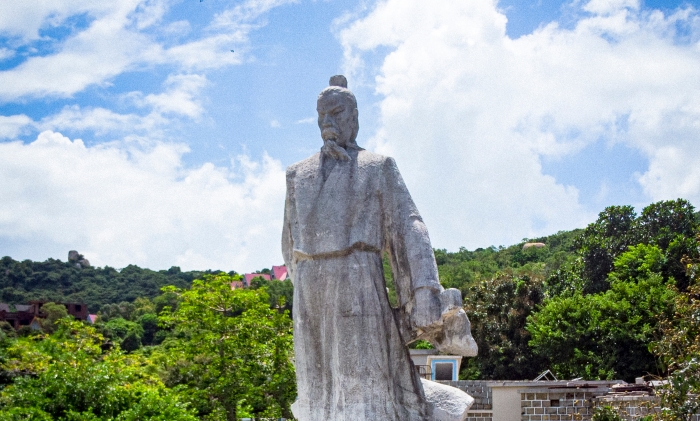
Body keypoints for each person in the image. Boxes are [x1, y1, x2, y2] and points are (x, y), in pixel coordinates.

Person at [282, 75, 477, 421]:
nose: (327, 122)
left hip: (357, 281)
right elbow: (288, 242)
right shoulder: (298, 175)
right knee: (317, 388)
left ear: (354, 116)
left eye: (336, 112)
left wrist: (423, 290)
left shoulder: (377, 167)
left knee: (364, 383)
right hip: (311, 291)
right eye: (321, 115)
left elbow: (410, 226)